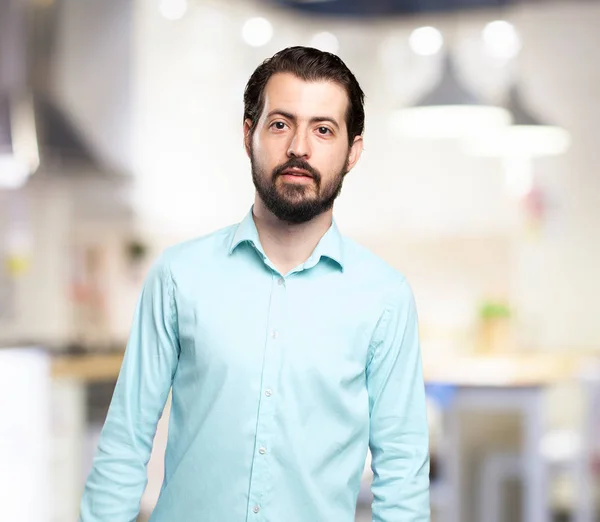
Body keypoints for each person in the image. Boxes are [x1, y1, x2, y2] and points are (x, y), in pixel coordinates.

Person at [79, 46, 430, 522]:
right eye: (281, 124)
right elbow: (125, 442)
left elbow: (403, 474)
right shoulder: (179, 277)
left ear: (353, 152)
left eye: (323, 129)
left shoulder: (384, 299)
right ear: (249, 135)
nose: (299, 148)